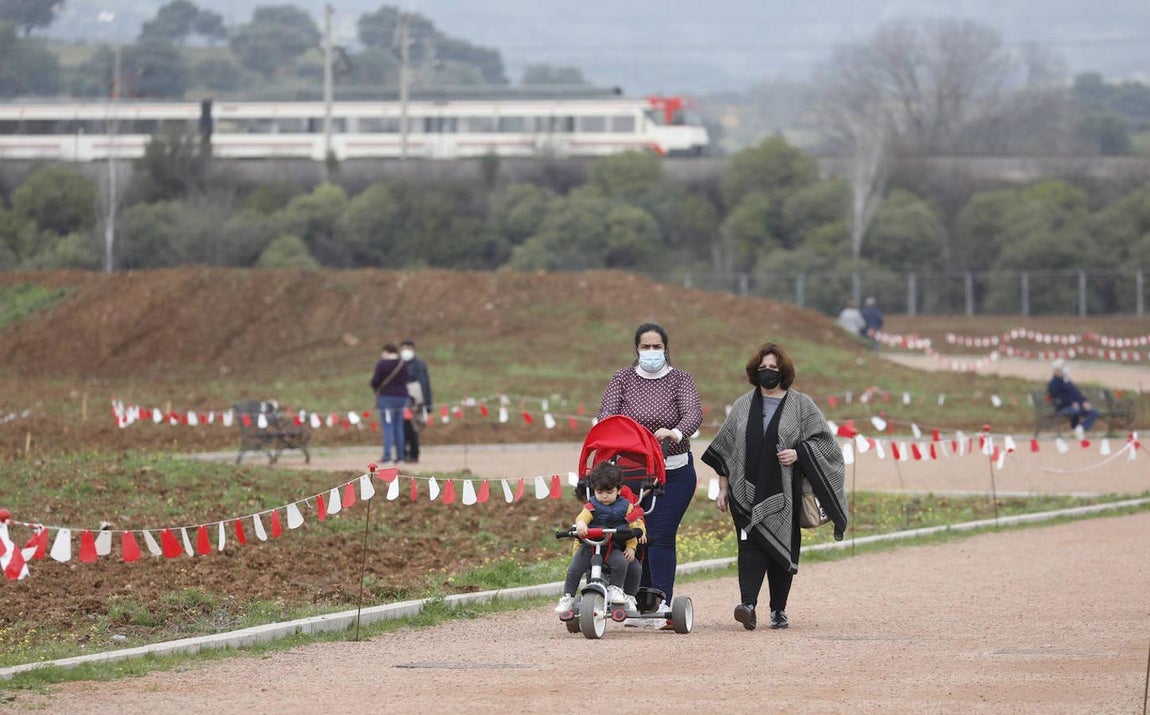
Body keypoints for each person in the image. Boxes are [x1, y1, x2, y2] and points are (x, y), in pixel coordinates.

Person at [702, 342, 847, 631]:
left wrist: (799, 453)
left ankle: (778, 610)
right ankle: (748, 605)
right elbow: (726, 450)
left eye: (773, 368)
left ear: (784, 372)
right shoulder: (743, 405)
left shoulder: (802, 405)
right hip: (746, 492)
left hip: (786, 494)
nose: (768, 372)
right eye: (763, 368)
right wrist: (723, 488)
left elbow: (827, 445)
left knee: (782, 549)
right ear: (755, 371)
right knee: (749, 547)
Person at [597, 322, 703, 620]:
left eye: (657, 347)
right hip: (632, 472)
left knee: (660, 534)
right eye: (646, 347)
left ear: (666, 349)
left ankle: (663, 600)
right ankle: (637, 599)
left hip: (674, 471)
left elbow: (693, 413)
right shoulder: (622, 378)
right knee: (634, 535)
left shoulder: (681, 379)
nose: (652, 352)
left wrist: (675, 432)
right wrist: (626, 433)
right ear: (637, 349)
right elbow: (607, 413)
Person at [555, 462, 646, 613]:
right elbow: (582, 517)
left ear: (618, 490)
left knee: (622, 562)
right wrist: (581, 525)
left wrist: (631, 546)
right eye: (599, 492)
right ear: (594, 491)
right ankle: (567, 597)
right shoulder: (591, 506)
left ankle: (615, 589)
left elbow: (634, 526)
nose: (604, 496)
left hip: (612, 547)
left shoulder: (626, 507)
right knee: (574, 569)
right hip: (589, 547)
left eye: (609, 492)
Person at [370, 343, 409, 465]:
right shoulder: (403, 364)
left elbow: (375, 381)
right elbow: (407, 379)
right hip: (402, 398)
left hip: (386, 398)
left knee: (388, 427)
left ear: (386, 351)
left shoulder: (382, 364)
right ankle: (401, 457)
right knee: (399, 427)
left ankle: (388, 456)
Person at [399, 339, 432, 464]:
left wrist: (427, 404)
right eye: (404, 348)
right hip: (401, 400)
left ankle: (414, 453)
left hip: (416, 401)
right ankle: (403, 453)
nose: (406, 351)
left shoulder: (419, 364)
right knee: (401, 427)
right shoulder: (398, 364)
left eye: (409, 348)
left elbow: (425, 384)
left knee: (414, 428)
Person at [1047, 359, 1098, 433]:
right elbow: (1056, 397)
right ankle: (1075, 427)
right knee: (1075, 411)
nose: (1065, 369)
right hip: (1064, 407)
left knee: (1093, 411)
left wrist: (1084, 401)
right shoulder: (1053, 383)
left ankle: (1081, 428)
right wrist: (1071, 403)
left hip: (1076, 405)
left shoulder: (1067, 381)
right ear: (1057, 370)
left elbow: (1077, 394)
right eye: (1062, 367)